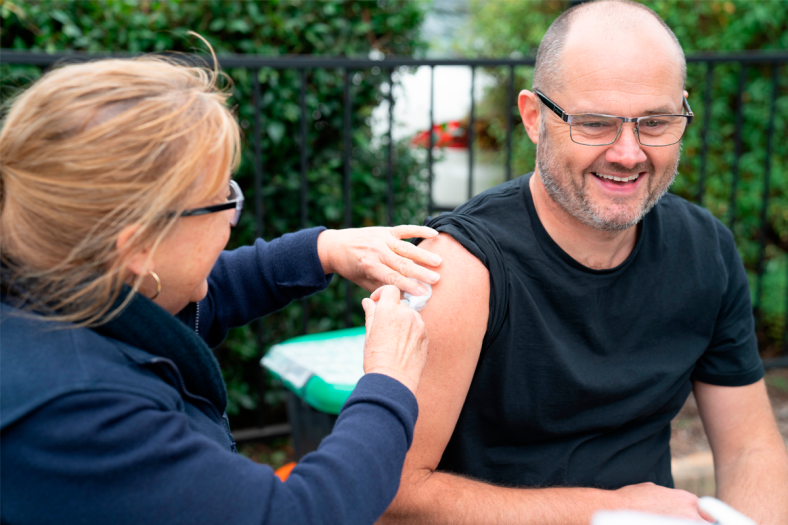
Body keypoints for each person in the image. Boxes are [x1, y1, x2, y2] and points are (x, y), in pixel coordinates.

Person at [380, 1, 788, 524]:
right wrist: (607, 511)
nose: (628, 153)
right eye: (595, 124)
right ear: (534, 117)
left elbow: (749, 448)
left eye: (656, 122)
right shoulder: (461, 270)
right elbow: (392, 498)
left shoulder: (705, 250)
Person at [0, 45, 442, 525]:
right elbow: (295, 516)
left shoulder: (53, 284)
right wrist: (388, 382)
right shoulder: (78, 411)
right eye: (221, 201)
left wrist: (326, 250)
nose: (233, 220)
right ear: (139, 245)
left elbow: (186, 295)